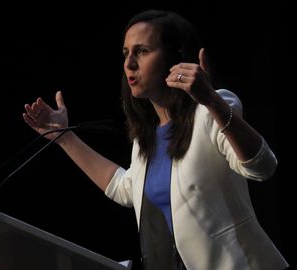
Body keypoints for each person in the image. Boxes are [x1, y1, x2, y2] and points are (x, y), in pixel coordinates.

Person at [22, 9, 288, 270]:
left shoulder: (211, 110)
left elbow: (262, 167)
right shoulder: (146, 138)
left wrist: (211, 100)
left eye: (142, 51)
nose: (129, 63)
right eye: (126, 53)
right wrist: (63, 138)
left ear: (174, 58)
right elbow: (123, 187)